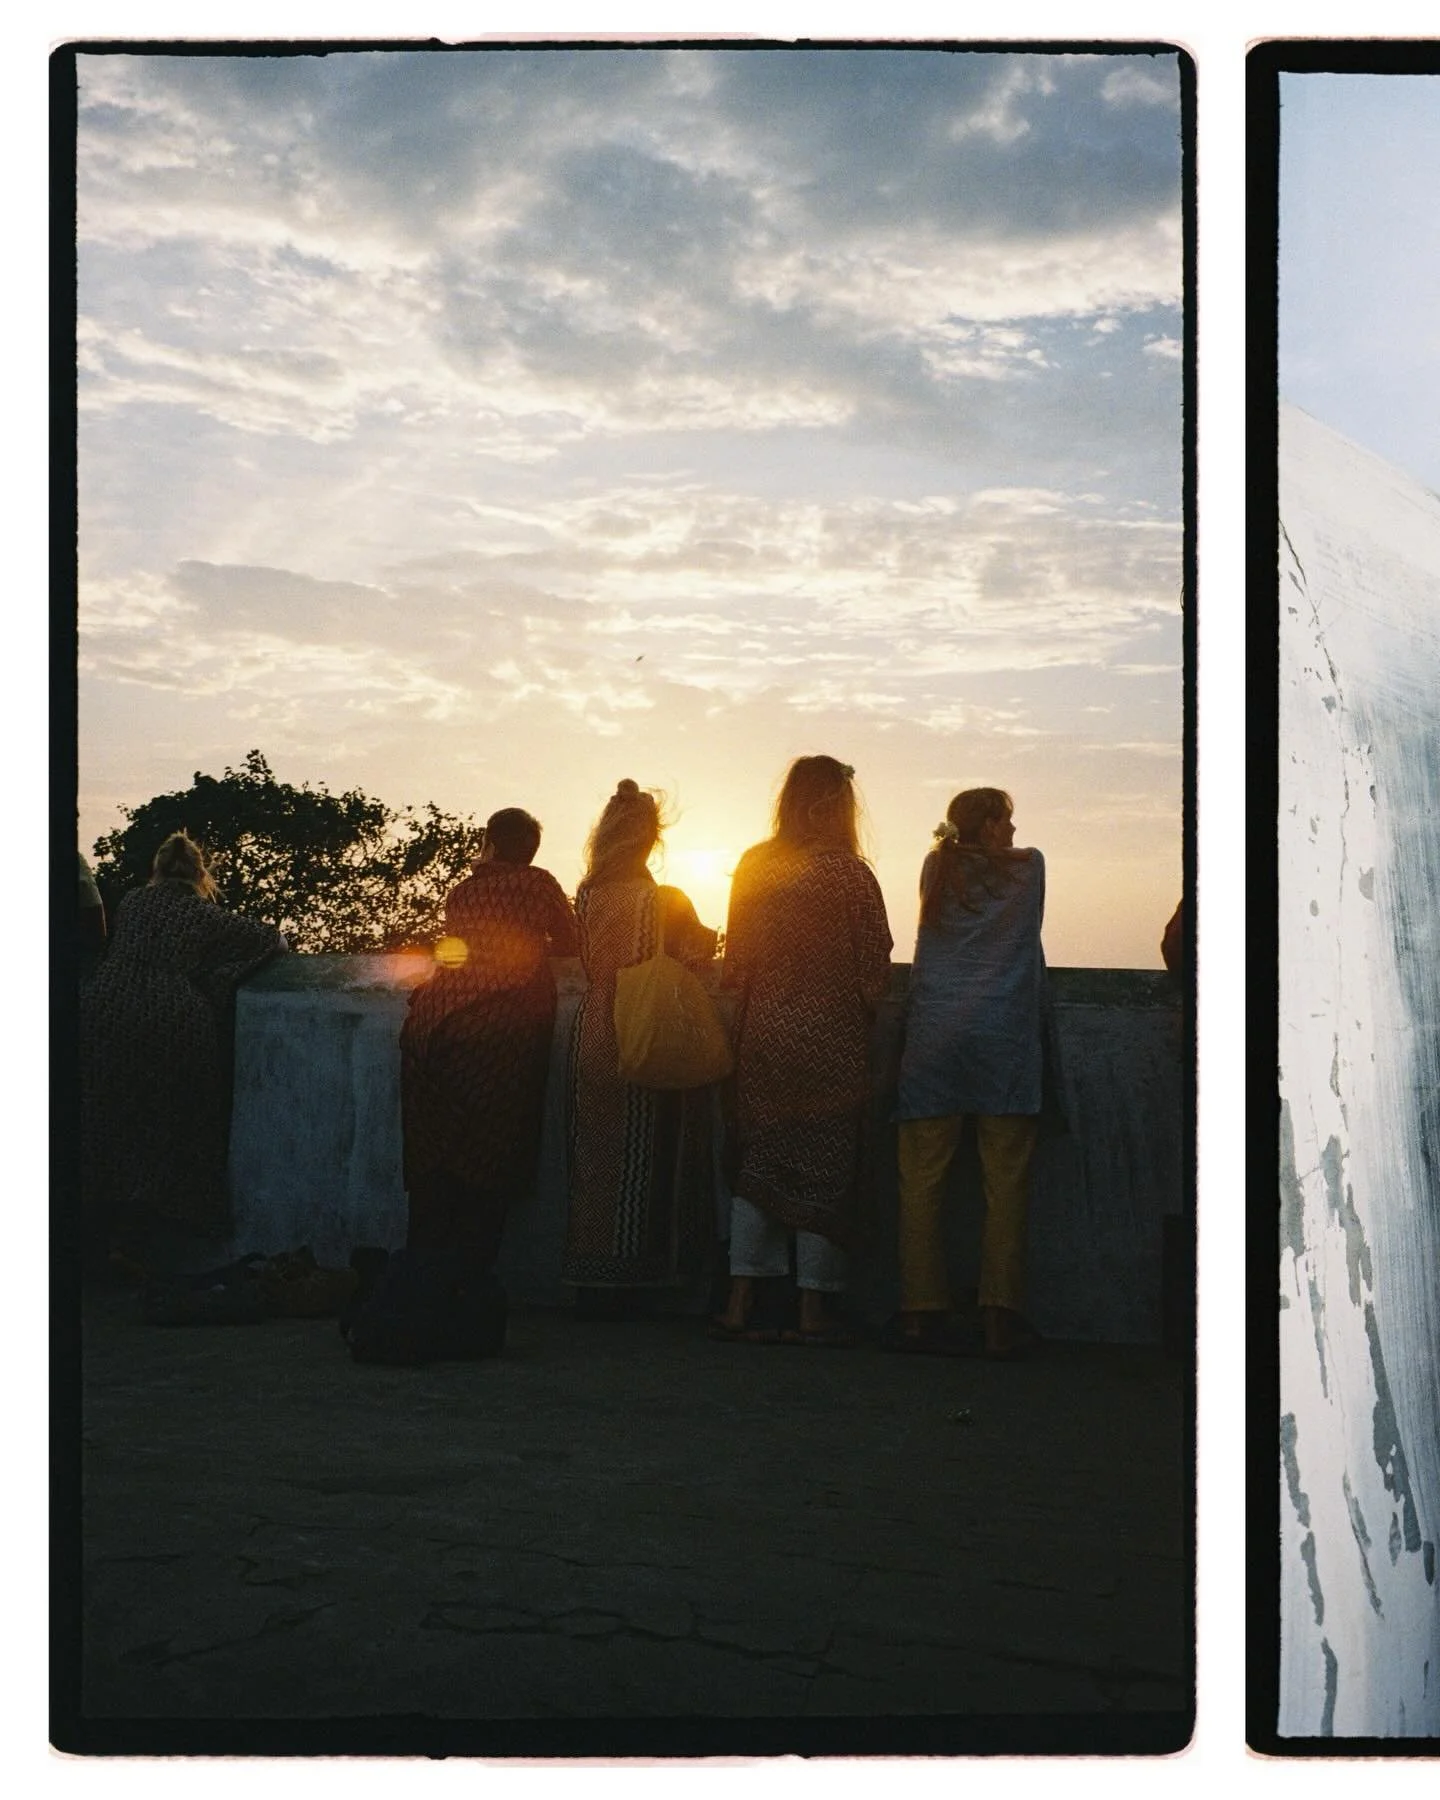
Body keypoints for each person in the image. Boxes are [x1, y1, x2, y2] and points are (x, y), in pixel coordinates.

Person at [712, 755, 893, 1347]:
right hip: (834, 1039)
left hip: (765, 1031)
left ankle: (740, 1304)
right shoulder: (849, 874)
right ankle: (812, 1310)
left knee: (759, 1161)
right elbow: (874, 972)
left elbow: (734, 961)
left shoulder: (757, 866)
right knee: (826, 1167)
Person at [887, 788, 1049, 1360]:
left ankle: (918, 1312)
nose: (1013, 830)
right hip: (1004, 1041)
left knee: (921, 1179)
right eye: (1006, 818)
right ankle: (999, 1317)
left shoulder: (937, 865)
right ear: (987, 824)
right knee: (1005, 1183)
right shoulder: (1030, 869)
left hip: (935, 1039)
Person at [80, 832, 286, 1271]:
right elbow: (273, 942)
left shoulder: (132, 902)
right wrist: (218, 975)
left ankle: (100, 1240)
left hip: (104, 1007)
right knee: (168, 1123)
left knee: (106, 1120)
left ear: (156, 869)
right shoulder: (199, 913)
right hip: (168, 1014)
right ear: (200, 874)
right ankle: (146, 1239)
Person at [400, 807, 580, 1273]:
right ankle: (465, 1283)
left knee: (434, 1150)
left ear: (491, 842)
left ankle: (420, 1277)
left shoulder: (462, 891)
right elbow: (570, 942)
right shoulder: (539, 884)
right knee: (489, 1149)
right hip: (499, 1027)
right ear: (530, 850)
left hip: (434, 1021)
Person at [563, 780, 718, 1308]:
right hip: (643, 1025)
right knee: (646, 1157)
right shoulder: (663, 900)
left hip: (594, 1027)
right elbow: (699, 950)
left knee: (595, 1158)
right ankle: (636, 1281)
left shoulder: (588, 894)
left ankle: (591, 1279)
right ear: (652, 838)